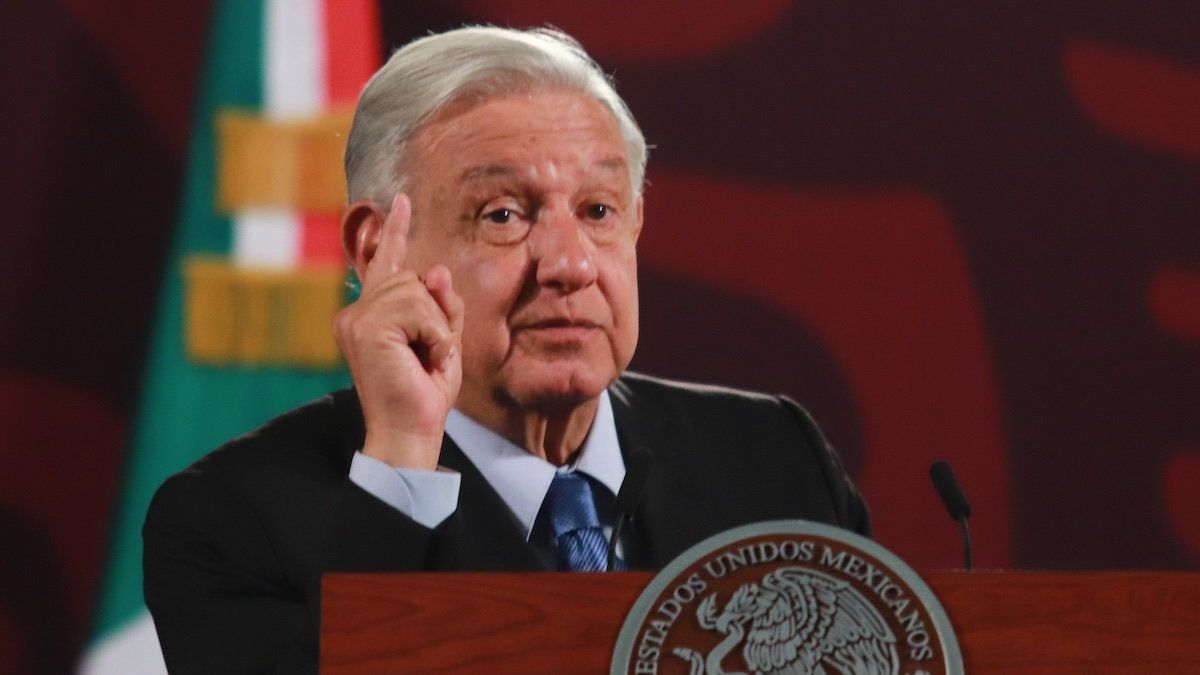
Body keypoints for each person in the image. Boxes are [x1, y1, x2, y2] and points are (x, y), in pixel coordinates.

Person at [143, 25, 869, 673]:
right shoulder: (230, 521)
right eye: (503, 214)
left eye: (598, 211)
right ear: (375, 249)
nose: (571, 264)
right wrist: (401, 458)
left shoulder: (777, 459)